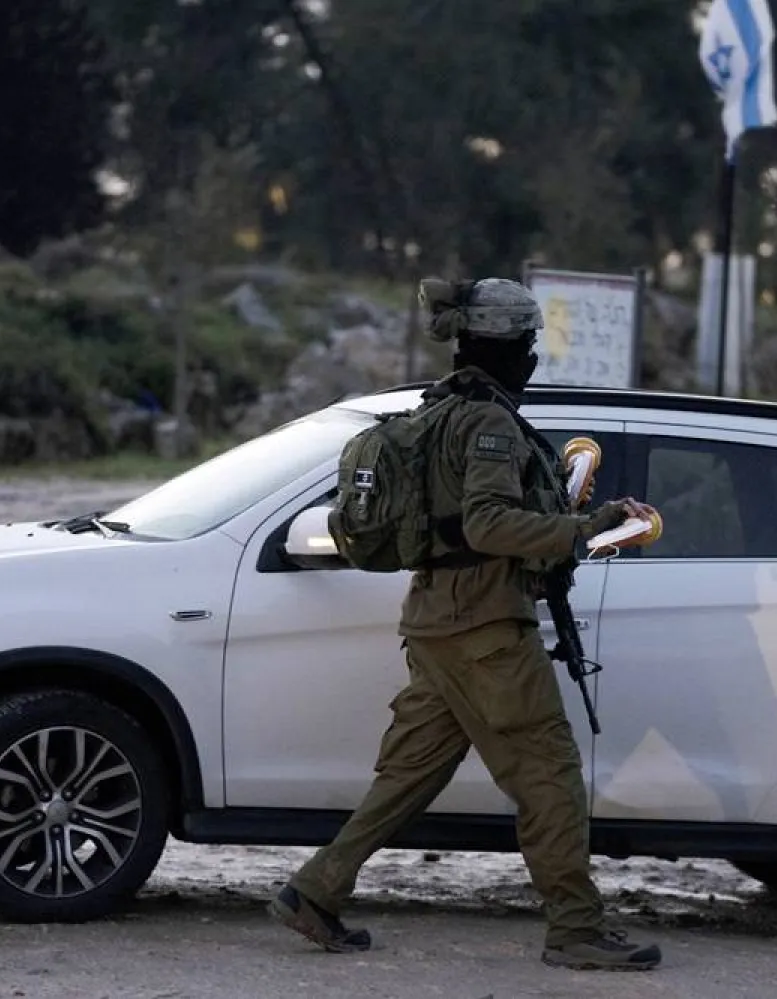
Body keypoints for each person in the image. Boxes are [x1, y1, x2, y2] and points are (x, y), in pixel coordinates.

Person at [268, 276, 663, 972]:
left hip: (435, 621)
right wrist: (583, 526)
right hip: (483, 631)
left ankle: (315, 890)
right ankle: (575, 926)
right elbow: (486, 522)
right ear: (509, 346)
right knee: (549, 773)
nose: (534, 358)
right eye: (529, 344)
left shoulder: (438, 408)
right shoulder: (487, 421)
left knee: (408, 776)